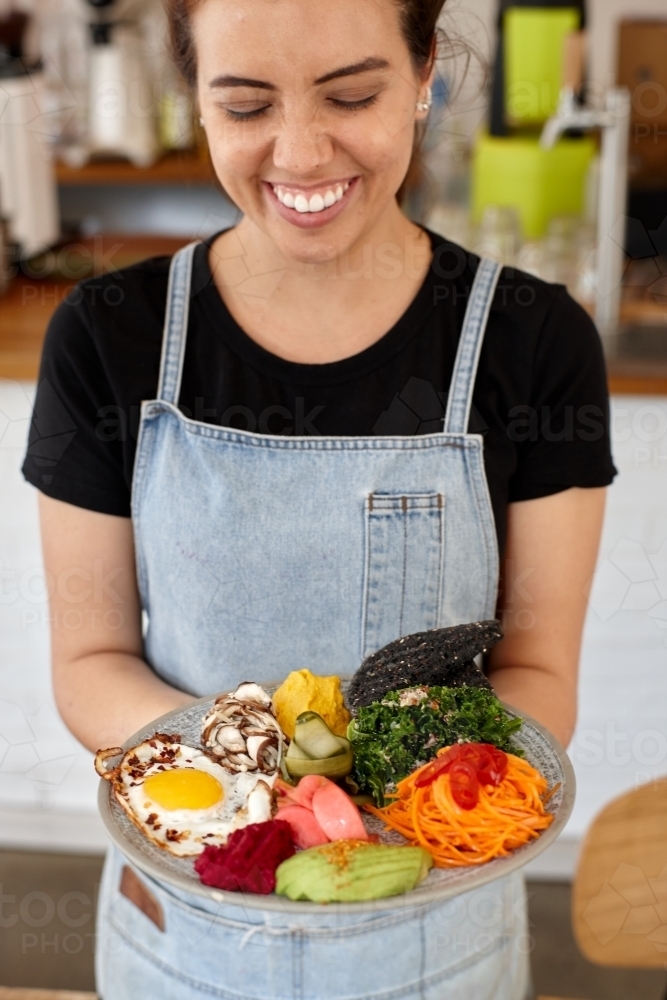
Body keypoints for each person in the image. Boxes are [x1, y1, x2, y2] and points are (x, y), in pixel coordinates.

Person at [24, 0, 616, 996]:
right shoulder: (105, 337)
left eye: (352, 93)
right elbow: (90, 664)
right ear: (194, 99)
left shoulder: (533, 341)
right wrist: (261, 783)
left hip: (438, 940)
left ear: (425, 68)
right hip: (185, 932)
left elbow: (540, 674)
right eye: (246, 104)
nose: (298, 153)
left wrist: (380, 800)